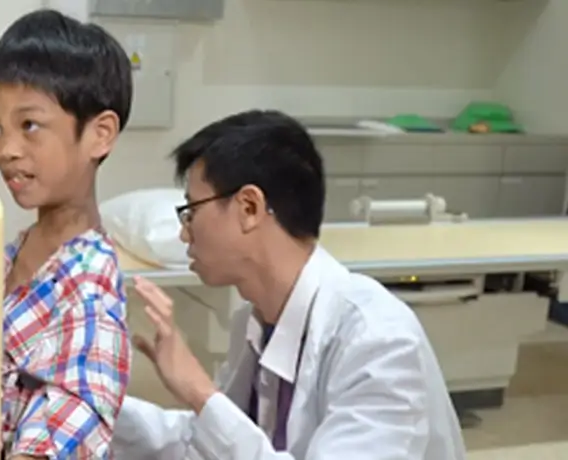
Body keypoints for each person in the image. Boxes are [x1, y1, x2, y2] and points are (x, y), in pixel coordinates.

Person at [112, 110, 466, 459]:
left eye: (192, 212)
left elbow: (224, 433)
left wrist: (198, 390)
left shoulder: (377, 338)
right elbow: (210, 441)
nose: (183, 233)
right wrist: (97, 405)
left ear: (249, 208)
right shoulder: (254, 321)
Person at [0, 9, 134, 460]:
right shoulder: (14, 251)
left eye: (29, 125)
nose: (6, 149)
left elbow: (58, 439)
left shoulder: (89, 289)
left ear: (100, 135)